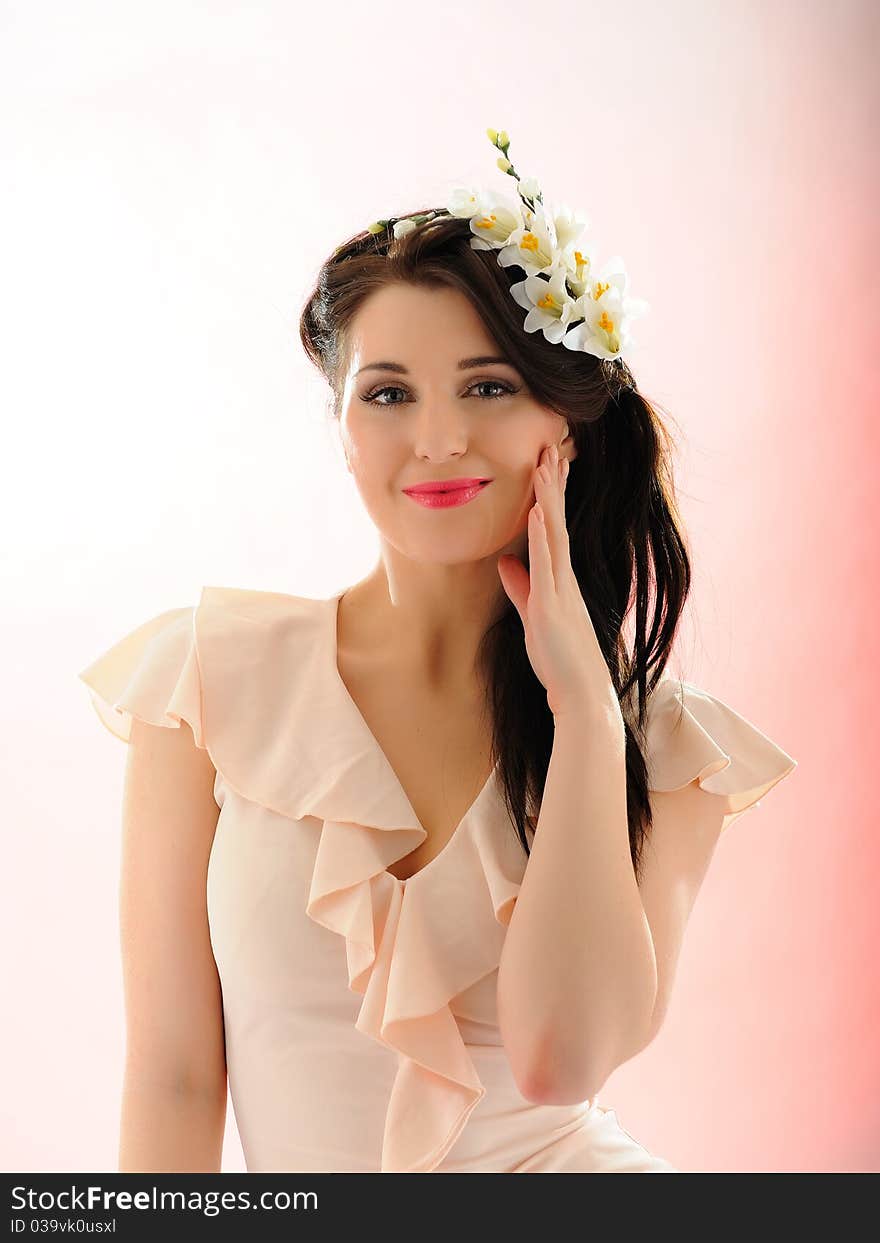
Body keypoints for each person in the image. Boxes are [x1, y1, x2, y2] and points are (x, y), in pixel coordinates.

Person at [77, 130, 797, 1173]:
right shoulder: (206, 679)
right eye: (387, 393)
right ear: (339, 423)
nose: (438, 438)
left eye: (490, 386)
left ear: (569, 421)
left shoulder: (668, 745)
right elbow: (176, 1074)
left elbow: (562, 1062)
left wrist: (587, 715)